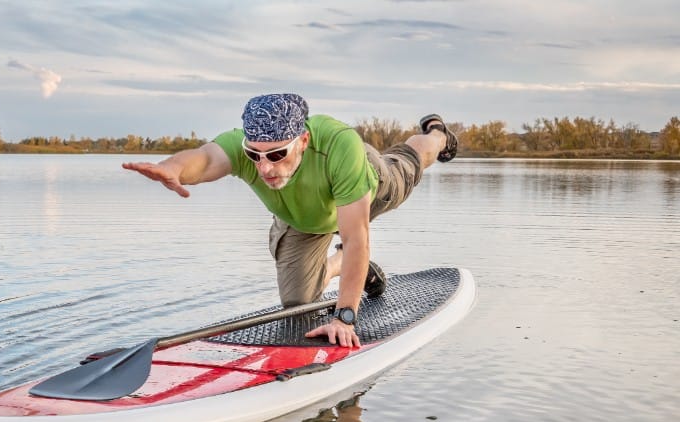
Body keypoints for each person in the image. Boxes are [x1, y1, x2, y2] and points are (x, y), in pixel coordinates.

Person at [122, 93, 458, 348]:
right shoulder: (244, 147)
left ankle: (437, 133)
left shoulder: (341, 146)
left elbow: (357, 239)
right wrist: (173, 167)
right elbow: (205, 159)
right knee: (299, 305)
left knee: (411, 161)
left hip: (365, 189)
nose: (265, 167)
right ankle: (347, 266)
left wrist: (345, 317)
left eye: (277, 155)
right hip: (303, 221)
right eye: (255, 156)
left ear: (304, 141)